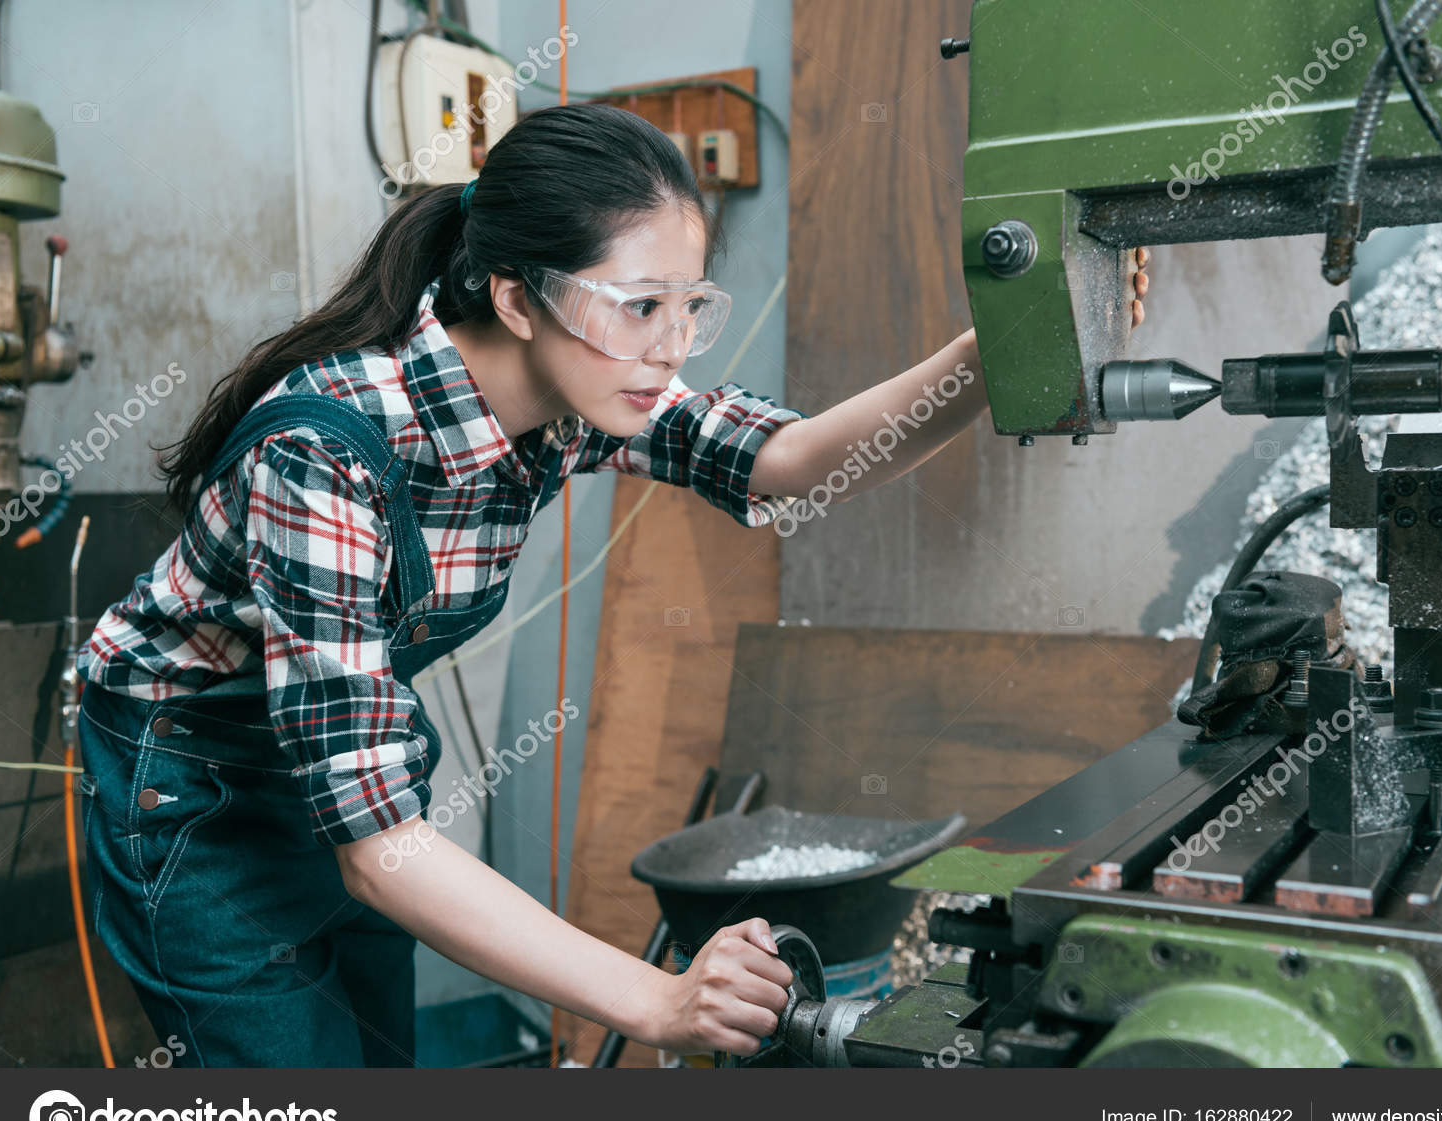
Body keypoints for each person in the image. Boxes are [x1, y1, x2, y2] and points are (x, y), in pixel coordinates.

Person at [75, 102, 1149, 1067]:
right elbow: (384, 854)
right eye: (642, 307)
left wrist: (994, 348)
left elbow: (787, 465)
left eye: (690, 307)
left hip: (328, 781)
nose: (670, 347)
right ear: (517, 296)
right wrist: (658, 999)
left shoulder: (575, 395)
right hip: (191, 790)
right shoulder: (325, 452)